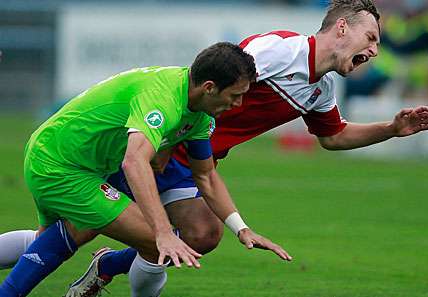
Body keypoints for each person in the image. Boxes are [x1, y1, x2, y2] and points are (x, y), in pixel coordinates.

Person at [1, 0, 428, 295]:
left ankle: (108, 266)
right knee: (86, 232)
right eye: (371, 38)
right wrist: (163, 143)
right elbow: (214, 75)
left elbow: (333, 136)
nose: (375, 50)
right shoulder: (277, 50)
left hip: (192, 157)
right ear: (342, 27)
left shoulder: (320, 89)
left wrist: (391, 128)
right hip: (156, 146)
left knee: (201, 235)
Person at [0, 42, 291, 297]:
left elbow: (205, 175)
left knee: (48, 242)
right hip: (60, 165)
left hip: (71, 158)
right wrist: (162, 230)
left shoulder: (200, 112)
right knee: (156, 244)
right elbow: (134, 161)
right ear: (210, 87)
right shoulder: (164, 100)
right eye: (236, 95)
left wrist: (241, 229)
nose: (239, 103)